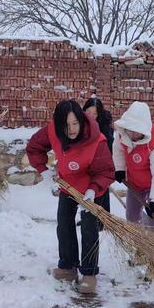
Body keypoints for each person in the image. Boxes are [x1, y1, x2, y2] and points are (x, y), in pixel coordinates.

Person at [26, 100, 115, 294]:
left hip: (92, 189)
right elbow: (34, 147)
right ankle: (68, 267)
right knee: (64, 223)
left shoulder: (96, 140)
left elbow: (106, 171)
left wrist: (93, 190)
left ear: (82, 121)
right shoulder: (52, 131)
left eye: (75, 123)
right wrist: (44, 170)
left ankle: (89, 273)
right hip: (68, 185)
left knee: (89, 228)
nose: (72, 129)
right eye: (67, 125)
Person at [113, 101, 154, 279]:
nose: (133, 134)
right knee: (132, 217)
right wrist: (119, 169)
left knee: (153, 221)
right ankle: (141, 251)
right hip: (136, 181)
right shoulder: (121, 134)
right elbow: (117, 151)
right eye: (130, 128)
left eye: (136, 130)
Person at [83, 97, 114, 223]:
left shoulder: (104, 127)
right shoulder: (80, 124)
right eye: (88, 113)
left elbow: (109, 147)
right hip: (86, 164)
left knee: (101, 191)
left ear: (99, 114)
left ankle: (102, 219)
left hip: (101, 163)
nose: (91, 116)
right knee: (87, 191)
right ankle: (88, 218)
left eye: (94, 114)